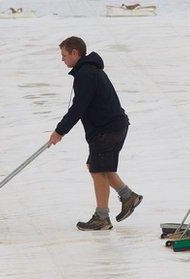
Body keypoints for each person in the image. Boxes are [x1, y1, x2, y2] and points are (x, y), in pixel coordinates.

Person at [49, 36, 142, 231]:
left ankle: (102, 217)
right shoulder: (88, 71)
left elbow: (78, 108)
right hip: (112, 126)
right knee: (97, 165)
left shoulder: (86, 75)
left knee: (97, 170)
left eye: (64, 55)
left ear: (75, 53)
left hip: (107, 129)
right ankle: (127, 196)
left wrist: (59, 131)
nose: (62, 59)